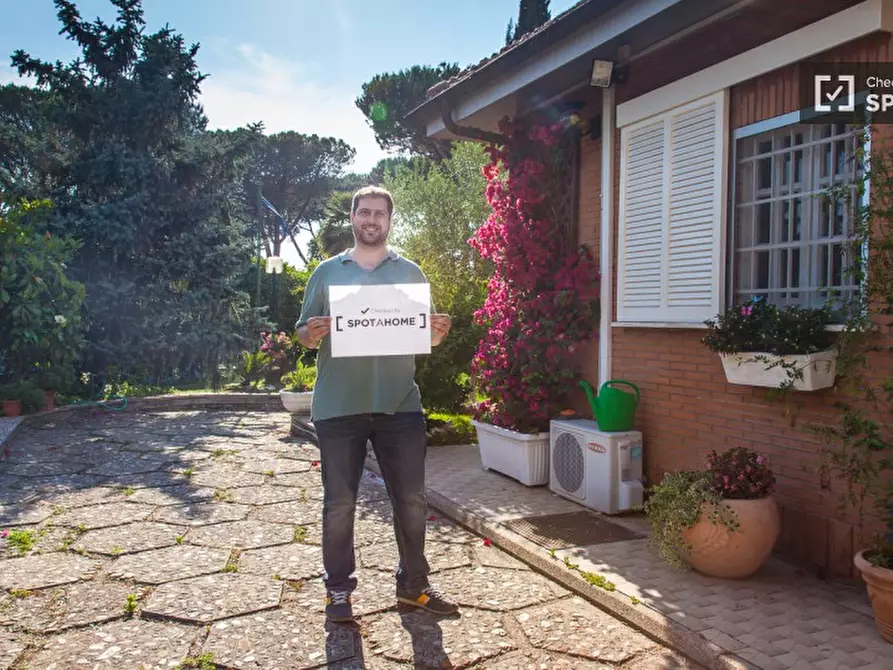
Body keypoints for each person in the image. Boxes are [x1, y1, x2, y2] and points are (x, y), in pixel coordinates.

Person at [295, 185, 458, 623]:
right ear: (353, 218)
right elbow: (301, 333)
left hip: (399, 406)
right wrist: (312, 331)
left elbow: (423, 334)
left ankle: (414, 586)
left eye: (379, 214)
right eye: (363, 212)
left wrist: (436, 333)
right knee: (340, 503)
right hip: (338, 407)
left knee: (411, 499)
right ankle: (338, 592)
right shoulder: (328, 272)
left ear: (389, 220)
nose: (371, 220)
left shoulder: (411, 273)